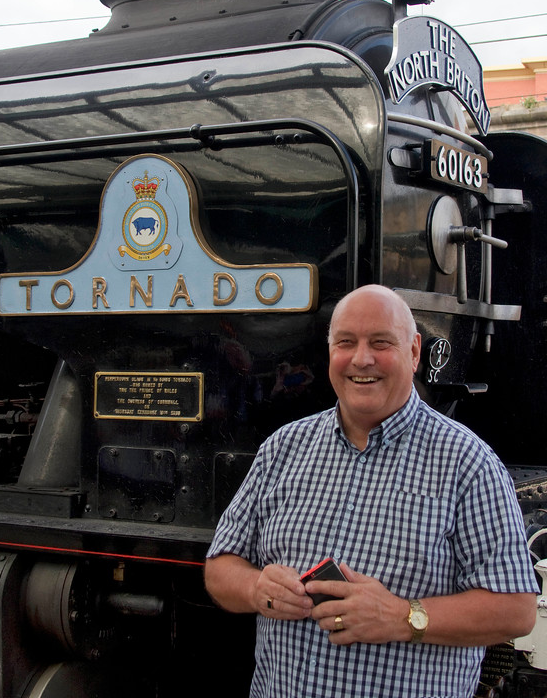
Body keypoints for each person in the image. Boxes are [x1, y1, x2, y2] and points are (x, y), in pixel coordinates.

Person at [205, 284, 538, 698]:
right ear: (331, 353)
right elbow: (220, 569)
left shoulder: (468, 463)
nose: (362, 359)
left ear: (414, 352)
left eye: (381, 343)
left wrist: (402, 616)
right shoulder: (283, 448)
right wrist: (257, 589)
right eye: (346, 342)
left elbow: (516, 609)